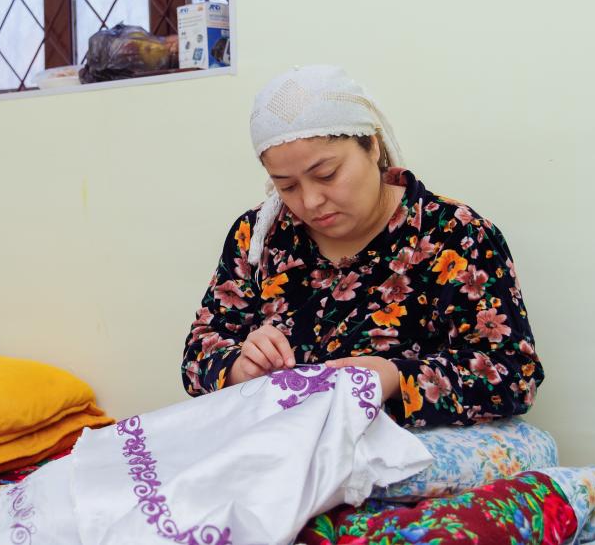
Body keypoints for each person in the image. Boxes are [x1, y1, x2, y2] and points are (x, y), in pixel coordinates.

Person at [181, 65, 544, 426]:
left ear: (372, 145)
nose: (310, 202)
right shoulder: (258, 237)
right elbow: (198, 354)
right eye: (286, 186)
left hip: (401, 458)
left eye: (326, 175)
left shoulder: (452, 235)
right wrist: (239, 367)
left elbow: (514, 375)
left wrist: (393, 379)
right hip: (279, 450)